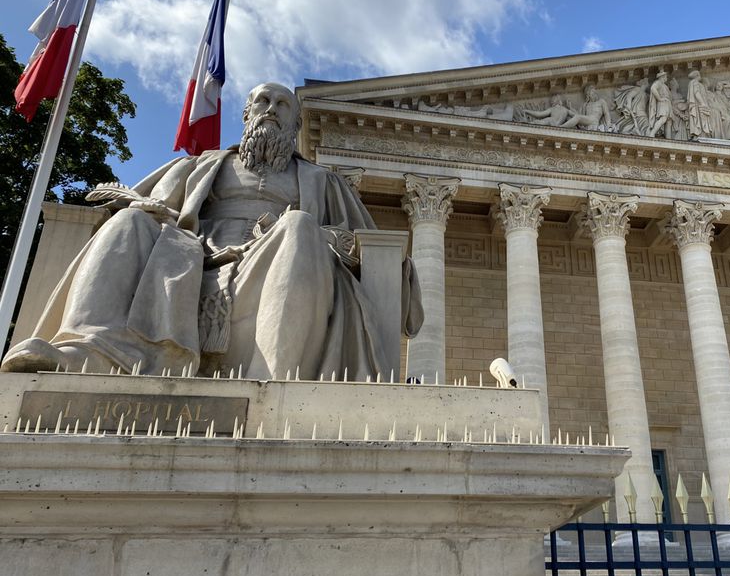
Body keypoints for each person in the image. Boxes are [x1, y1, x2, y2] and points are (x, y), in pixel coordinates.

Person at [2, 83, 423, 380]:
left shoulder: (321, 181)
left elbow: (364, 246)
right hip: (193, 250)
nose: (272, 109)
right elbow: (148, 207)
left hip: (274, 259)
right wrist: (147, 212)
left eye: (282, 105)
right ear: (247, 114)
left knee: (299, 225)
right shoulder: (203, 165)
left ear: (295, 125)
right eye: (263, 101)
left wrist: (308, 233)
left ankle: (273, 382)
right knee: (130, 222)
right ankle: (87, 351)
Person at [646, 71, 674, 138]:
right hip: (663, 103)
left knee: (669, 121)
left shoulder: (665, 86)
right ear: (662, 77)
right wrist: (659, 99)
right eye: (665, 76)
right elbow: (653, 88)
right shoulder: (658, 83)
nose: (666, 78)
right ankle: (652, 133)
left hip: (667, 104)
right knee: (663, 118)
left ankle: (668, 139)